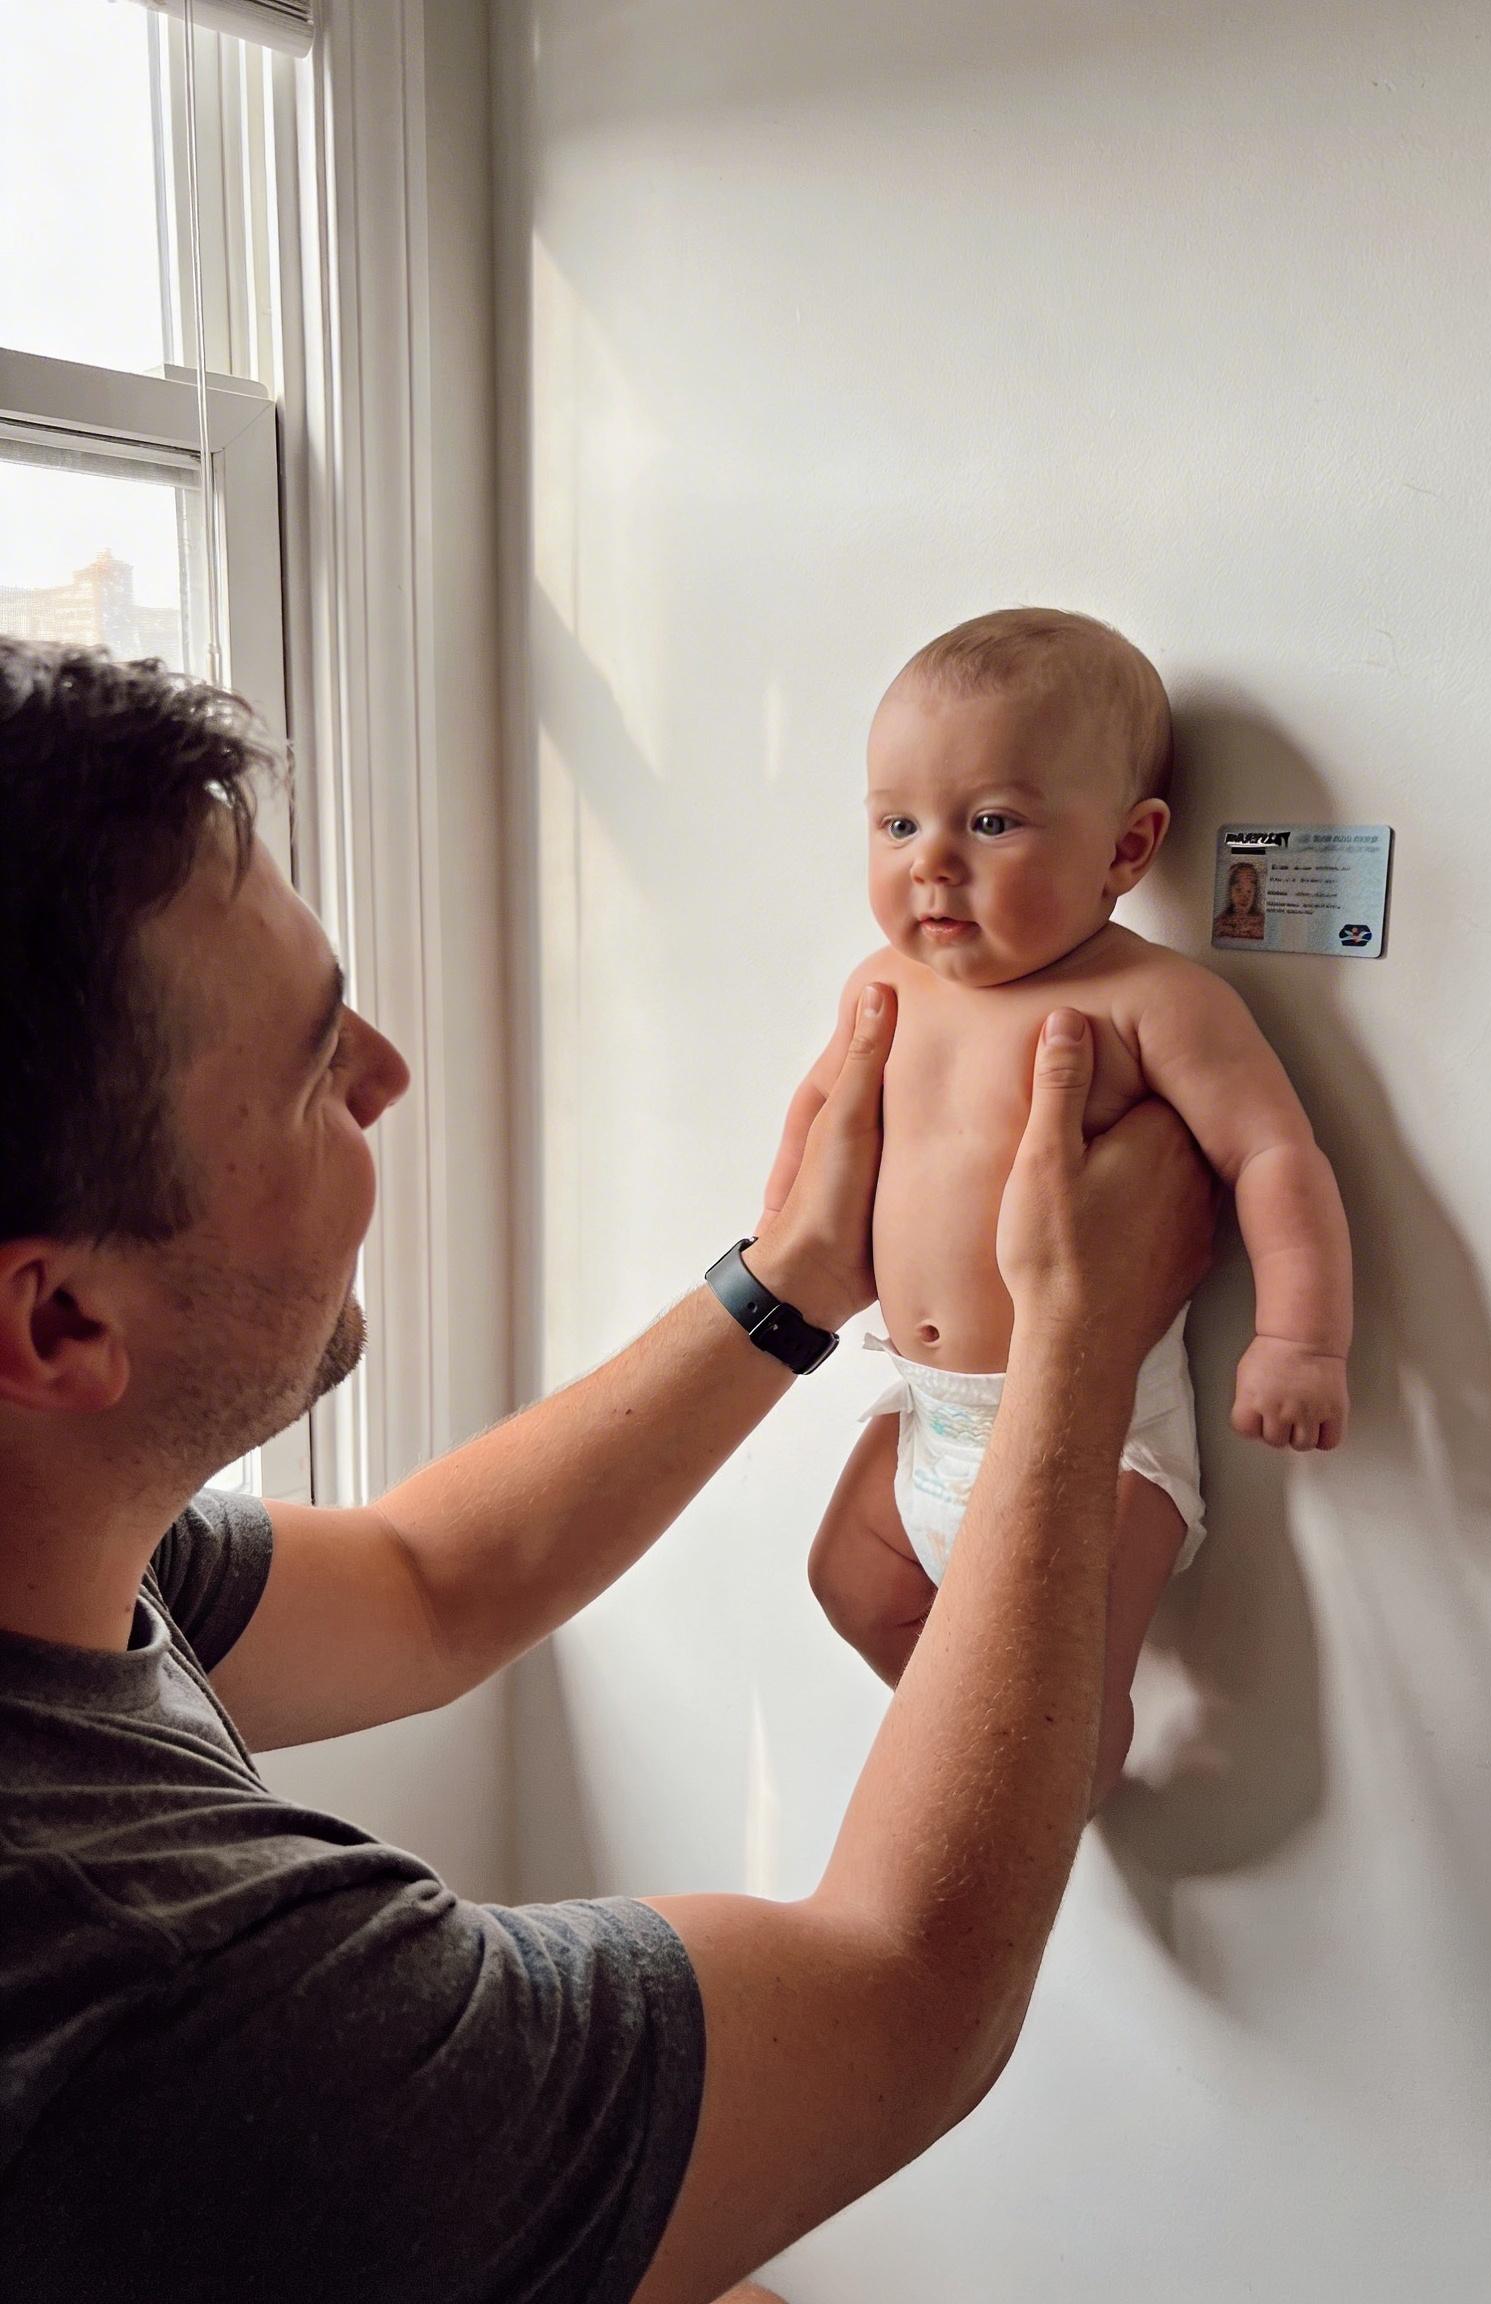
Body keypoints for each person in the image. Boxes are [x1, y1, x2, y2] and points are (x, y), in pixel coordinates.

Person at [0, 640, 1217, 2304]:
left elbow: (433, 1582)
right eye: (307, 1072)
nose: (385, 1068)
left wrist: (794, 1276)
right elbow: (901, 1996)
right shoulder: (166, 1994)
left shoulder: (51, 1541)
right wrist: (1071, 1359)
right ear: (59, 1317)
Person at [775, 610, 1352, 1809]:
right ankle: (967, 1737)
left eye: (991, 822)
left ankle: (1053, 1781)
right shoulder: (882, 983)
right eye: (896, 822)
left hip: (1108, 1439)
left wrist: (1301, 1339)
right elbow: (823, 1110)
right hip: (929, 1414)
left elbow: (1272, 1156)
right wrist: (787, 1237)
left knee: (1066, 1676)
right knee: (847, 1578)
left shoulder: (1153, 999)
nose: (932, 859)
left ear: (1129, 849)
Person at [1213, 857, 1267, 941]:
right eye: (1239, 890)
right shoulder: (1220, 922)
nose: (1245, 897)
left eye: (1249, 891)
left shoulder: (1263, 924)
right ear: (1229, 891)